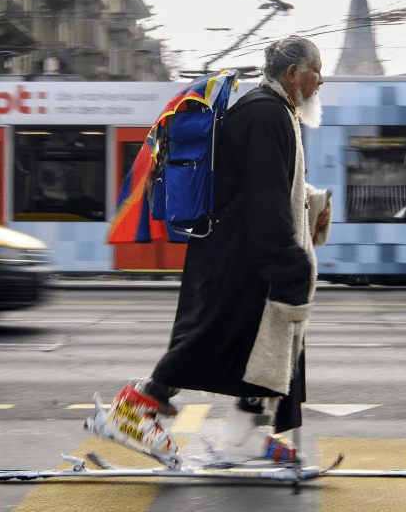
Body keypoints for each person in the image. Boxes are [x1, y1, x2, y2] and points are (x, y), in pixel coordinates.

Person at [106, 36, 333, 464]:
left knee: (250, 349)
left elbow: (266, 188)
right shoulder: (268, 116)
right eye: (315, 70)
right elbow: (265, 199)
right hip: (237, 259)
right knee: (211, 343)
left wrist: (313, 203)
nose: (321, 79)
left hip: (236, 253)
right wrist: (289, 263)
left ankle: (242, 439)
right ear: (292, 74)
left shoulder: (271, 112)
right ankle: (133, 412)